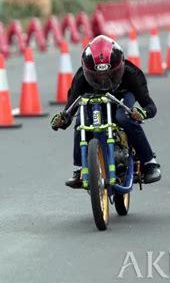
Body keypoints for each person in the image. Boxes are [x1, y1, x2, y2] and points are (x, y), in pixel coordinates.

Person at [50, 35, 161, 189]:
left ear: (120, 67)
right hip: (94, 99)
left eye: (110, 75)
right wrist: (62, 120)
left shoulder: (132, 74)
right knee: (81, 120)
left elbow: (150, 106)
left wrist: (141, 113)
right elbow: (70, 109)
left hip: (122, 97)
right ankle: (82, 169)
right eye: (96, 76)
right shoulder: (81, 78)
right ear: (86, 70)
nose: (103, 81)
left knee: (123, 117)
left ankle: (149, 162)